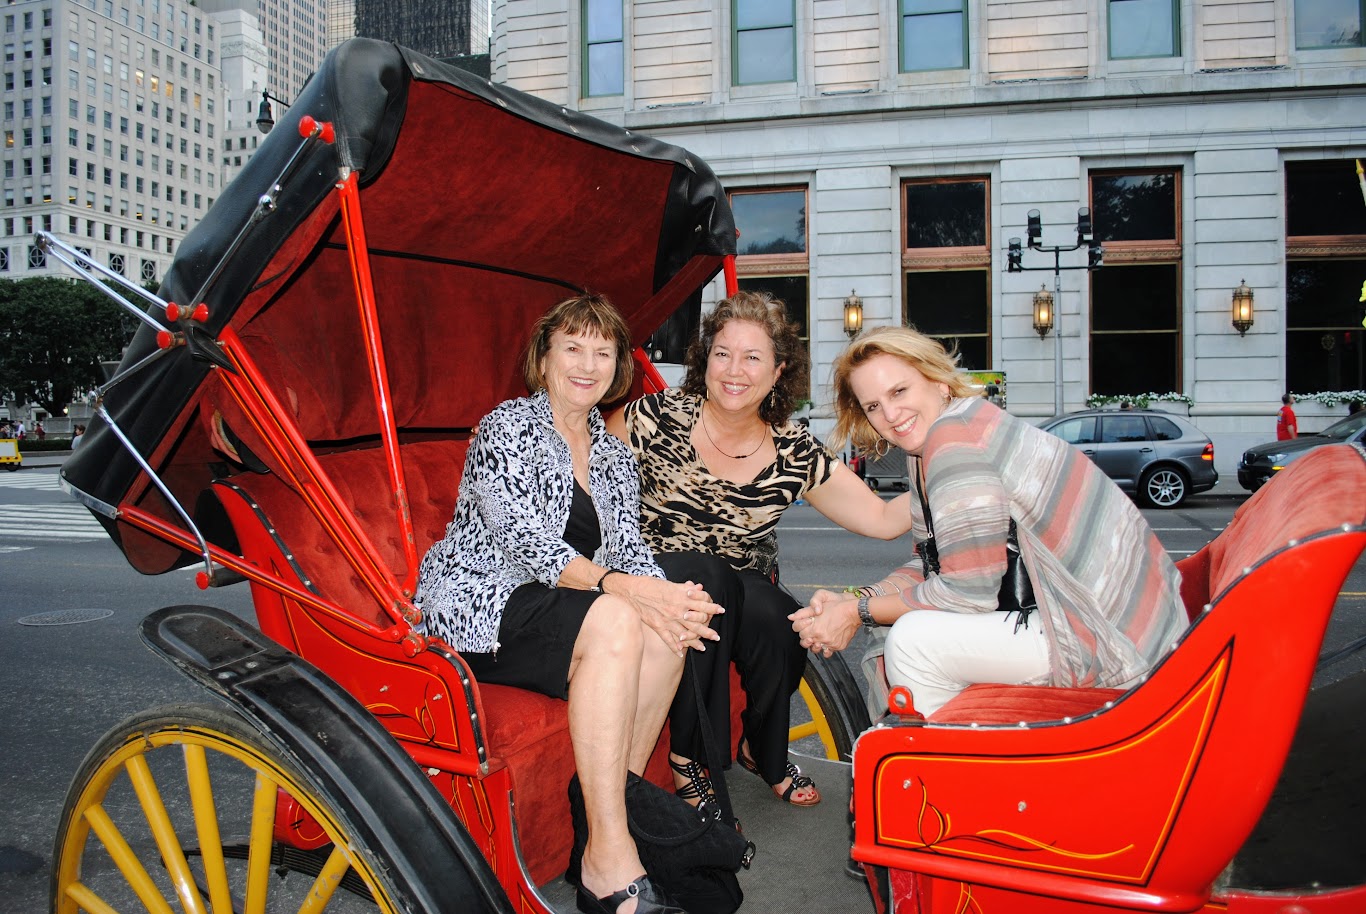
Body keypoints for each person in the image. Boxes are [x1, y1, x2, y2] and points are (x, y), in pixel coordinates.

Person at [415, 294, 722, 914]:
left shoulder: (612, 454)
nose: (588, 364)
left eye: (603, 351)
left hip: (560, 602)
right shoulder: (508, 427)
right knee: (617, 614)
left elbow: (629, 547)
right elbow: (524, 545)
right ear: (545, 358)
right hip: (483, 597)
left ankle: (607, 823)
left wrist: (667, 598)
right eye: (573, 348)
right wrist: (627, 590)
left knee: (667, 631)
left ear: (618, 365)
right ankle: (609, 862)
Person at [610, 291, 914, 809]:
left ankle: (762, 750)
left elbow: (884, 519)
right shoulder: (654, 416)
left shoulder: (795, 451)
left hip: (743, 584)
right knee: (703, 583)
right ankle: (690, 759)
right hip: (654, 578)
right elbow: (584, 473)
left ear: (777, 373)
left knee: (782, 620)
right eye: (723, 353)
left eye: (753, 357)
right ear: (705, 360)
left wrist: (955, 467)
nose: (735, 370)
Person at [790, 326, 1188, 718]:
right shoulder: (929, 447)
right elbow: (936, 565)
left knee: (914, 641)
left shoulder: (953, 439)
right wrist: (857, 599)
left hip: (1109, 635)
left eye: (899, 391)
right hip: (1115, 622)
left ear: (940, 382)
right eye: (873, 406)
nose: (891, 415)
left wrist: (856, 612)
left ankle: (953, 772)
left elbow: (966, 594)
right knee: (916, 627)